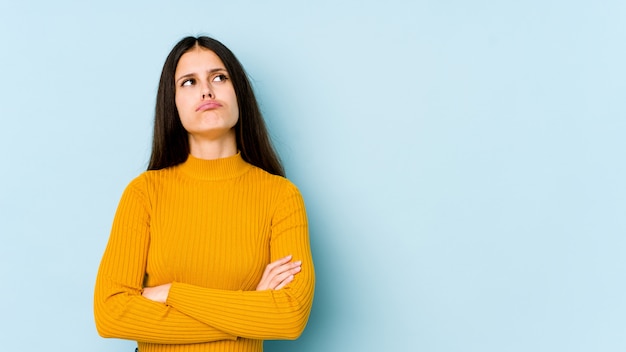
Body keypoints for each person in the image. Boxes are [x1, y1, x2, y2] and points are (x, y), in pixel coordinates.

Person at [94, 36, 315, 352]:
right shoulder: (144, 193)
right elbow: (110, 314)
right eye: (188, 82)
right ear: (173, 102)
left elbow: (290, 317)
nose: (206, 90)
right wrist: (249, 309)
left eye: (219, 77)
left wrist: (171, 293)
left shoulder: (280, 196)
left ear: (239, 92)